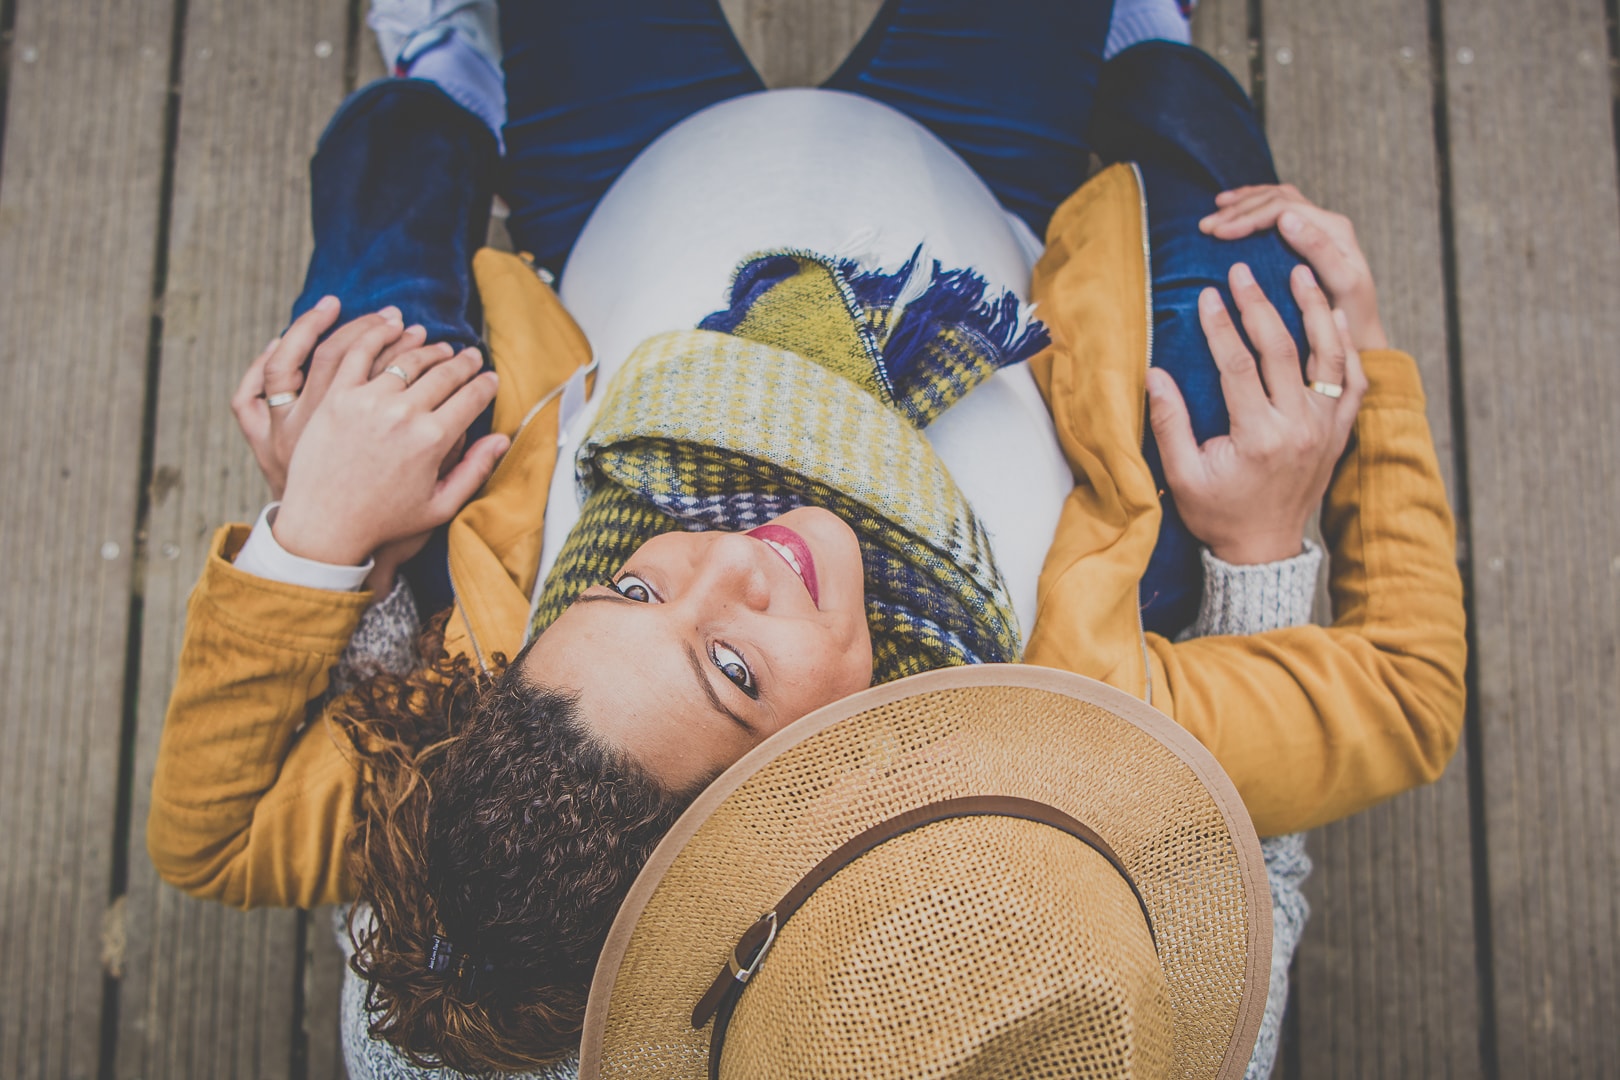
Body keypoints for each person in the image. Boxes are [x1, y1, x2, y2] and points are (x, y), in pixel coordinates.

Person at [146, 1, 1466, 1077]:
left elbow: (221, 839)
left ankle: (444, 100)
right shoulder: (1071, 767)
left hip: (626, 234)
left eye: (628, 584)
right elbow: (1285, 828)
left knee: (357, 357)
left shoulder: (484, 942)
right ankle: (1153, 63)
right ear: (822, 799)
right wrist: (1285, 513)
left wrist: (327, 541)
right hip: (995, 240)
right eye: (733, 668)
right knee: (1262, 302)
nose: (727, 549)